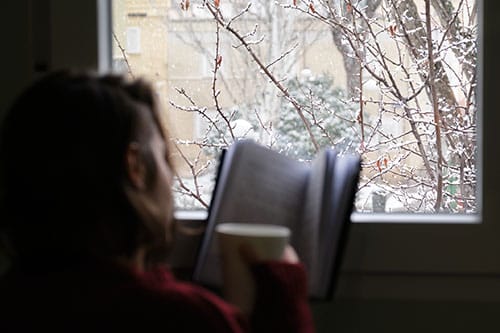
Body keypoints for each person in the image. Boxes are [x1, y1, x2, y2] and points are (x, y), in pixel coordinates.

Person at [0, 70, 315, 332]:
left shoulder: (16, 301)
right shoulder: (188, 318)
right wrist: (285, 298)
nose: (171, 175)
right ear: (135, 166)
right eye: (165, 157)